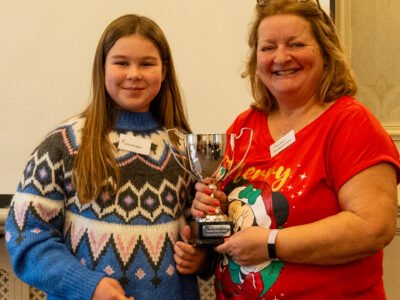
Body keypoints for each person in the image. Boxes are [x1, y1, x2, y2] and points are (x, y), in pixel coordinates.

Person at [191, 0, 400, 299]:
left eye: (296, 44)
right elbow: (228, 213)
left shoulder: (351, 124)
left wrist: (272, 243)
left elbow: (372, 227)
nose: (281, 57)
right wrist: (209, 205)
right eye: (268, 47)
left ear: (325, 52)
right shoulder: (244, 126)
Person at [5, 14, 207, 300]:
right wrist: (86, 285)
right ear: (102, 68)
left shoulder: (183, 148)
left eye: (147, 63)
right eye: (121, 62)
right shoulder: (63, 145)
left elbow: (200, 233)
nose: (134, 74)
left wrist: (201, 257)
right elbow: (26, 235)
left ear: (164, 70)